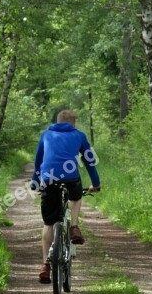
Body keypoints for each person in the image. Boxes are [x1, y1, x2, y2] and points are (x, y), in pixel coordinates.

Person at [31, 110, 101, 284]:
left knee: (48, 223)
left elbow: (38, 161)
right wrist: (96, 184)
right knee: (76, 197)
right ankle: (74, 227)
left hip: (48, 180)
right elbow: (89, 161)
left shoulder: (46, 135)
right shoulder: (78, 135)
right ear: (72, 123)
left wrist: (35, 182)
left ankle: (46, 265)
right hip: (70, 179)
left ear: (58, 121)